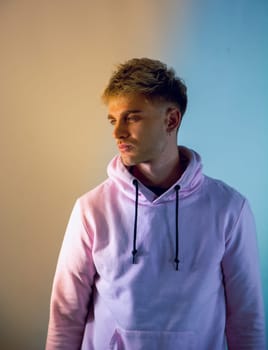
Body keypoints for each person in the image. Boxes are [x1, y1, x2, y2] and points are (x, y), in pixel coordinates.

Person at [46, 58, 266, 349]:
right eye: (114, 120)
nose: (118, 133)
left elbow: (246, 319)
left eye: (132, 117)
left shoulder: (229, 210)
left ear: (171, 120)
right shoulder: (91, 209)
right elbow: (65, 315)